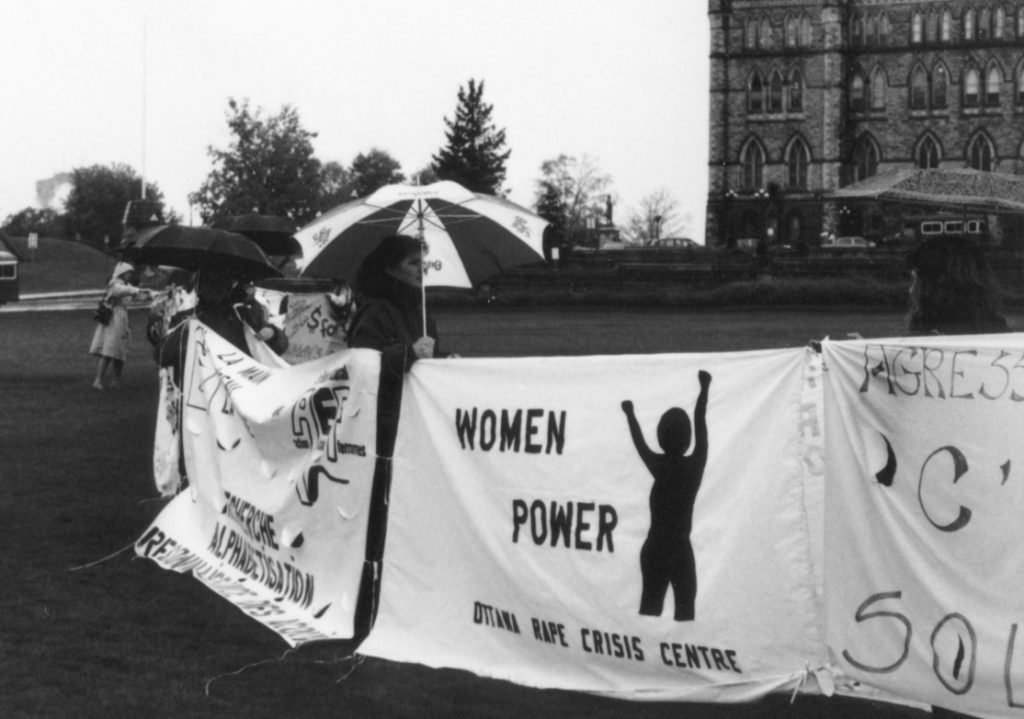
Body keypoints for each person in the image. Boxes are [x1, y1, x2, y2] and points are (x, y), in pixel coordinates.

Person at [158, 264, 288, 386]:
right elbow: (163, 354)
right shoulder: (188, 318)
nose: (215, 289)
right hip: (204, 392)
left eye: (221, 282)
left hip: (235, 391)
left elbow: (278, 346)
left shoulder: (242, 314)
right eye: (209, 282)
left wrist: (271, 333)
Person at [347, 234, 452, 361]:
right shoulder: (375, 311)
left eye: (422, 262)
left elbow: (428, 360)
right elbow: (364, 364)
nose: (422, 268)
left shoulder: (421, 314)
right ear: (391, 269)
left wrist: (446, 360)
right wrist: (411, 353)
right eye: (413, 263)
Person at [907, 235, 1009, 336]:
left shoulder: (921, 333)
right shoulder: (1001, 333)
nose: (910, 291)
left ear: (933, 287)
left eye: (915, 280)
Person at [89, 261, 152, 389]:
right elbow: (123, 291)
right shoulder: (115, 284)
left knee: (120, 351)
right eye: (128, 273)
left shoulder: (125, 285)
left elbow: (135, 296)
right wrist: (139, 290)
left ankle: (116, 380)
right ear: (121, 273)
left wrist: (152, 295)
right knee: (108, 350)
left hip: (122, 319)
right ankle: (98, 380)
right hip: (113, 319)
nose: (129, 275)